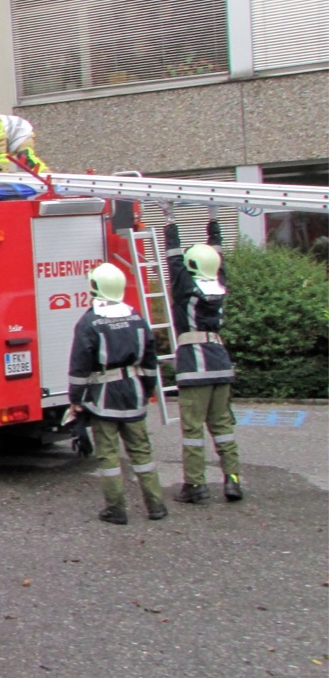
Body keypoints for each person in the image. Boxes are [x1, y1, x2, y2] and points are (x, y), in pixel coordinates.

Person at [66, 263, 168, 525]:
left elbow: (79, 367)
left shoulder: (89, 322)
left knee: (109, 456)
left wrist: (76, 400)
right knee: (142, 454)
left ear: (95, 288)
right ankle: (156, 505)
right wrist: (146, 390)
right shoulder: (137, 319)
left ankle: (116, 509)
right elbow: (150, 361)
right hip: (133, 394)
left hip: (104, 398)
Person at [163, 207, 242, 503]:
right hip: (220, 361)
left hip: (195, 365)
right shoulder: (220, 285)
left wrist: (170, 220)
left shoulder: (187, 289)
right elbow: (217, 257)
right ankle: (233, 480)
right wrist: (213, 219)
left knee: (193, 429)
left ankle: (195, 485)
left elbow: (174, 259)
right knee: (222, 427)